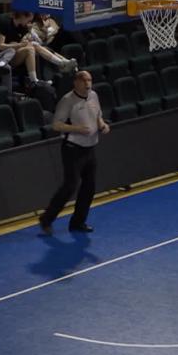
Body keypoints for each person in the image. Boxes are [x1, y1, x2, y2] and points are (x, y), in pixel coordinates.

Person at [39, 71, 108, 234]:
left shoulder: (94, 96)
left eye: (89, 80)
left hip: (90, 148)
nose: (88, 84)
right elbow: (56, 125)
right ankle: (47, 219)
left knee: (89, 187)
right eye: (84, 81)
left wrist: (102, 125)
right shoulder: (67, 100)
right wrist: (78, 129)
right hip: (73, 149)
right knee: (70, 186)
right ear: (76, 82)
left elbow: (98, 116)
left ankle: (78, 222)